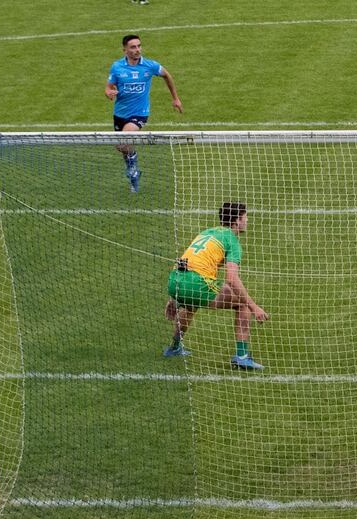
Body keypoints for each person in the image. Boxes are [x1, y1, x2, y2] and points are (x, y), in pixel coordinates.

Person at [163, 202, 269, 370]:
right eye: (245, 217)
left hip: (175, 279)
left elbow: (188, 260)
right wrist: (254, 306)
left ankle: (174, 347)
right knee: (243, 303)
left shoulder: (208, 233)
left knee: (191, 306)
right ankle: (242, 357)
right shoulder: (232, 241)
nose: (247, 220)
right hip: (195, 284)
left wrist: (173, 297)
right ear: (236, 221)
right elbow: (231, 279)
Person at [105, 34, 182, 192]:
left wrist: (175, 98)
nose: (137, 50)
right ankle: (133, 170)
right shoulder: (117, 67)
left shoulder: (150, 65)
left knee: (122, 143)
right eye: (133, 47)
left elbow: (167, 75)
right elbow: (109, 87)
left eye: (139, 46)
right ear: (125, 50)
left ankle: (132, 167)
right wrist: (109, 93)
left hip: (139, 114)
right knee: (123, 148)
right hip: (120, 113)